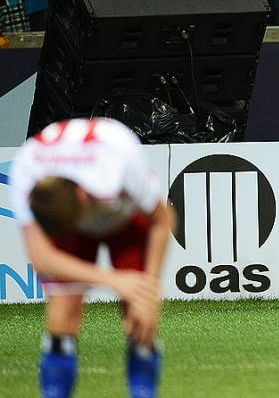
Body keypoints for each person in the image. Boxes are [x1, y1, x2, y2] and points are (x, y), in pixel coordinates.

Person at [10, 118, 175, 398]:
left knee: (141, 320)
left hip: (126, 219)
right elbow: (42, 258)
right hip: (67, 218)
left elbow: (162, 219)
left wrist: (148, 286)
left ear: (84, 195)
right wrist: (114, 279)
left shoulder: (118, 160)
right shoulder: (28, 172)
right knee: (63, 314)